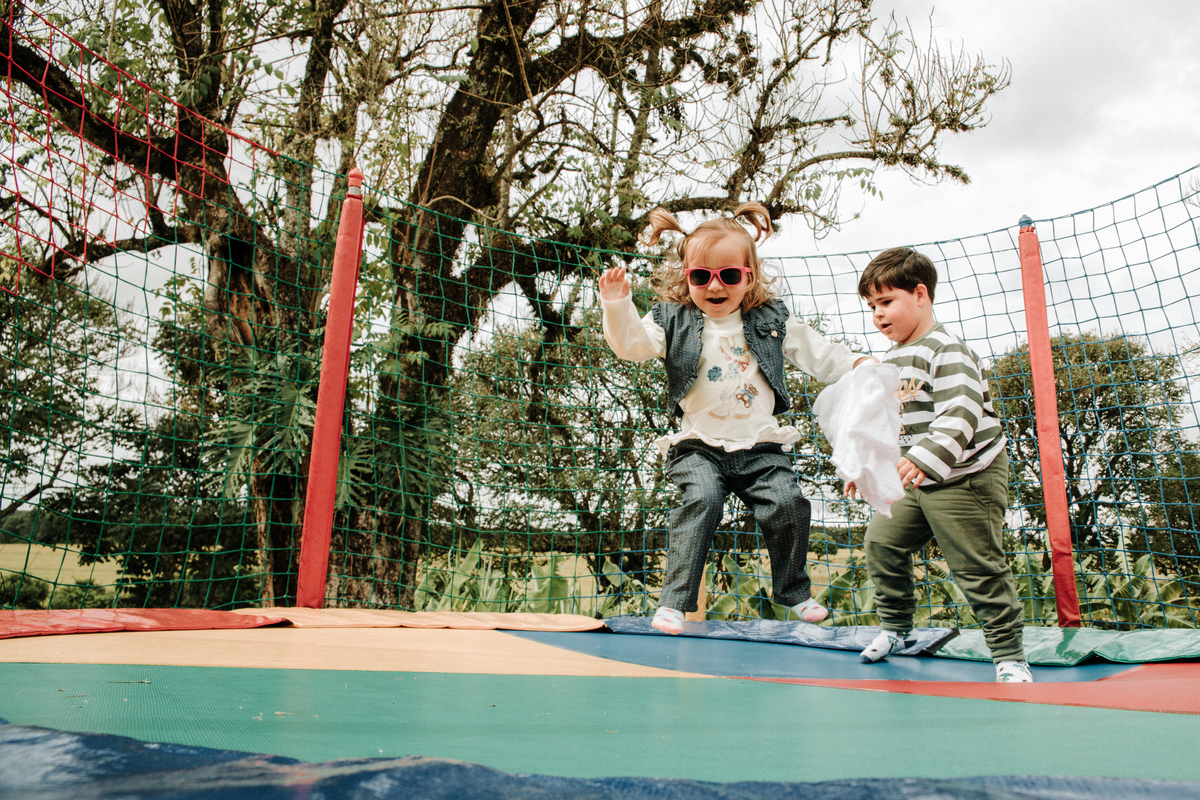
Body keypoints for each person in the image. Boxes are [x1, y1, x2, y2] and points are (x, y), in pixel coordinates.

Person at [598, 202, 873, 635]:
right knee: (702, 500)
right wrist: (617, 305)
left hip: (760, 445)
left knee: (788, 503)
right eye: (701, 276)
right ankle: (674, 602)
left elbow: (818, 353)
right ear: (686, 276)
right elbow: (631, 345)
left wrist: (858, 364)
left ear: (749, 276)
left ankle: (794, 592)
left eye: (728, 275)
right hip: (699, 446)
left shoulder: (771, 320)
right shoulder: (671, 320)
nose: (715, 285)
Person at [850, 247, 1032, 683]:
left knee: (975, 565)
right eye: (871, 306)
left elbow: (960, 412)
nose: (878, 314)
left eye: (886, 301)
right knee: (882, 544)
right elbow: (885, 424)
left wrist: (923, 458)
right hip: (916, 477)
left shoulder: (946, 349)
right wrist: (866, 466)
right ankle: (896, 629)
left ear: (920, 295)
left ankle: (1009, 656)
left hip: (966, 475)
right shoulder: (891, 360)